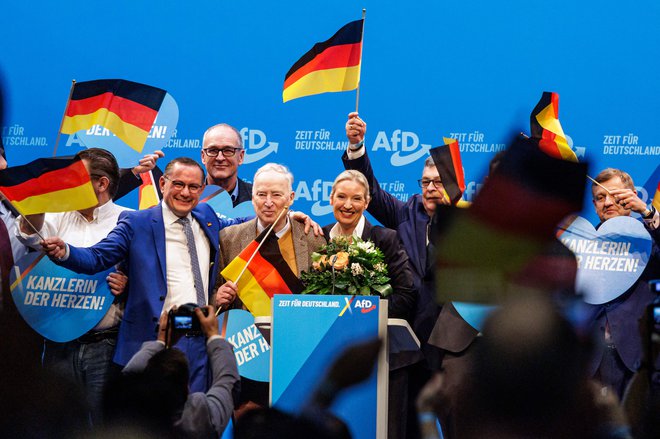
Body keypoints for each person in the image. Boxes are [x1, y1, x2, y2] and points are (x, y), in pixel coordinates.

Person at [41, 157, 246, 392]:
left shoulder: (206, 216)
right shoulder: (136, 223)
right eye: (178, 184)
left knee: (194, 419)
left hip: (198, 340)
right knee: (147, 422)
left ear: (201, 189)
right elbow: (97, 257)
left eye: (193, 187)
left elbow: (241, 223)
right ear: (162, 183)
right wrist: (66, 251)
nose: (185, 193)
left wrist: (288, 218)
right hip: (152, 341)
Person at [14, 148, 133, 424]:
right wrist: (39, 197)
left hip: (106, 345)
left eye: (74, 178)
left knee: (106, 423)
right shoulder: (58, 215)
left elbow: (148, 276)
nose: (66, 183)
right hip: (58, 342)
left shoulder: (128, 219)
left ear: (101, 183)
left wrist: (129, 283)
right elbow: (30, 235)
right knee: (59, 423)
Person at [322, 169, 416, 439]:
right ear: (331, 198)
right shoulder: (319, 236)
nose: (348, 205)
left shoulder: (385, 238)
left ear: (366, 202)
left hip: (381, 356)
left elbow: (406, 294)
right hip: (331, 355)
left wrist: (366, 314)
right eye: (341, 197)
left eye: (356, 199)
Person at [587, 168, 660, 400]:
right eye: (600, 197)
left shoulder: (649, 237)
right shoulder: (583, 239)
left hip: (637, 356)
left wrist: (648, 214)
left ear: (632, 196)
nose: (607, 202)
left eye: (615, 195)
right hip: (592, 359)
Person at [114, 305, 239, 439]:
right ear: (186, 388)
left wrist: (161, 341)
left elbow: (126, 379)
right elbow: (227, 381)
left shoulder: (133, 415)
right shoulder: (201, 419)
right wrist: (213, 335)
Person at [215, 163, 327, 310]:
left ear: (291, 198)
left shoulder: (313, 239)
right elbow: (212, 293)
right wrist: (217, 298)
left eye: (276, 195)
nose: (268, 202)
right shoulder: (228, 238)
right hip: (245, 329)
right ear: (253, 198)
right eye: (261, 194)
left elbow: (325, 301)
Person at [201, 123, 252, 207]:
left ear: (241, 157)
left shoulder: (256, 200)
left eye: (228, 150)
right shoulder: (189, 197)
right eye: (213, 150)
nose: (220, 158)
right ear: (203, 156)